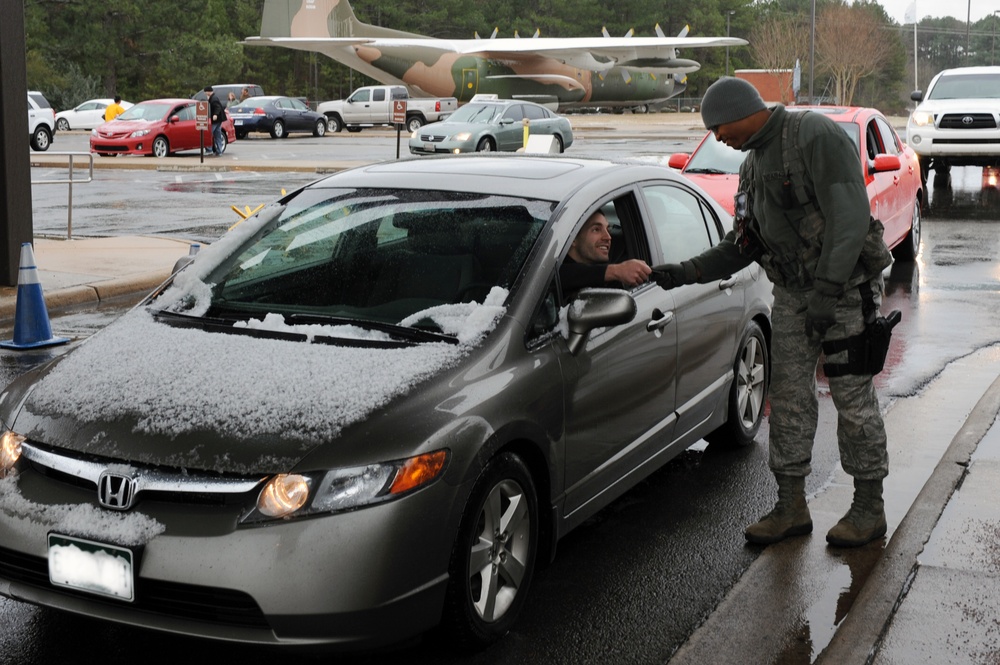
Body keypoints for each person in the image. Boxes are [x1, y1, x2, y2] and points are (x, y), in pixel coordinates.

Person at [655, 77, 893, 548]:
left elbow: (849, 218)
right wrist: (684, 272)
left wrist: (827, 292)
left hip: (845, 291)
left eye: (719, 128)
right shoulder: (751, 166)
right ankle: (790, 506)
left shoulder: (814, 136)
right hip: (793, 294)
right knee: (786, 398)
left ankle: (868, 508)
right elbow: (744, 242)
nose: (718, 138)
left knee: (852, 397)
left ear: (741, 111)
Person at [559, 210, 651, 297]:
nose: (608, 237)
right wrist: (616, 271)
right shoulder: (552, 274)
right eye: (596, 229)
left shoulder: (611, 282)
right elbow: (560, 276)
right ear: (572, 239)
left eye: (608, 229)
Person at [205, 86, 226, 156]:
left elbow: (217, 107)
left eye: (205, 92)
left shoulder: (213, 99)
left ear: (208, 91)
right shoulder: (213, 97)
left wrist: (215, 114)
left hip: (215, 120)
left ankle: (209, 149)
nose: (205, 93)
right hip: (219, 120)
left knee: (208, 134)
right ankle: (219, 150)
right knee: (217, 135)